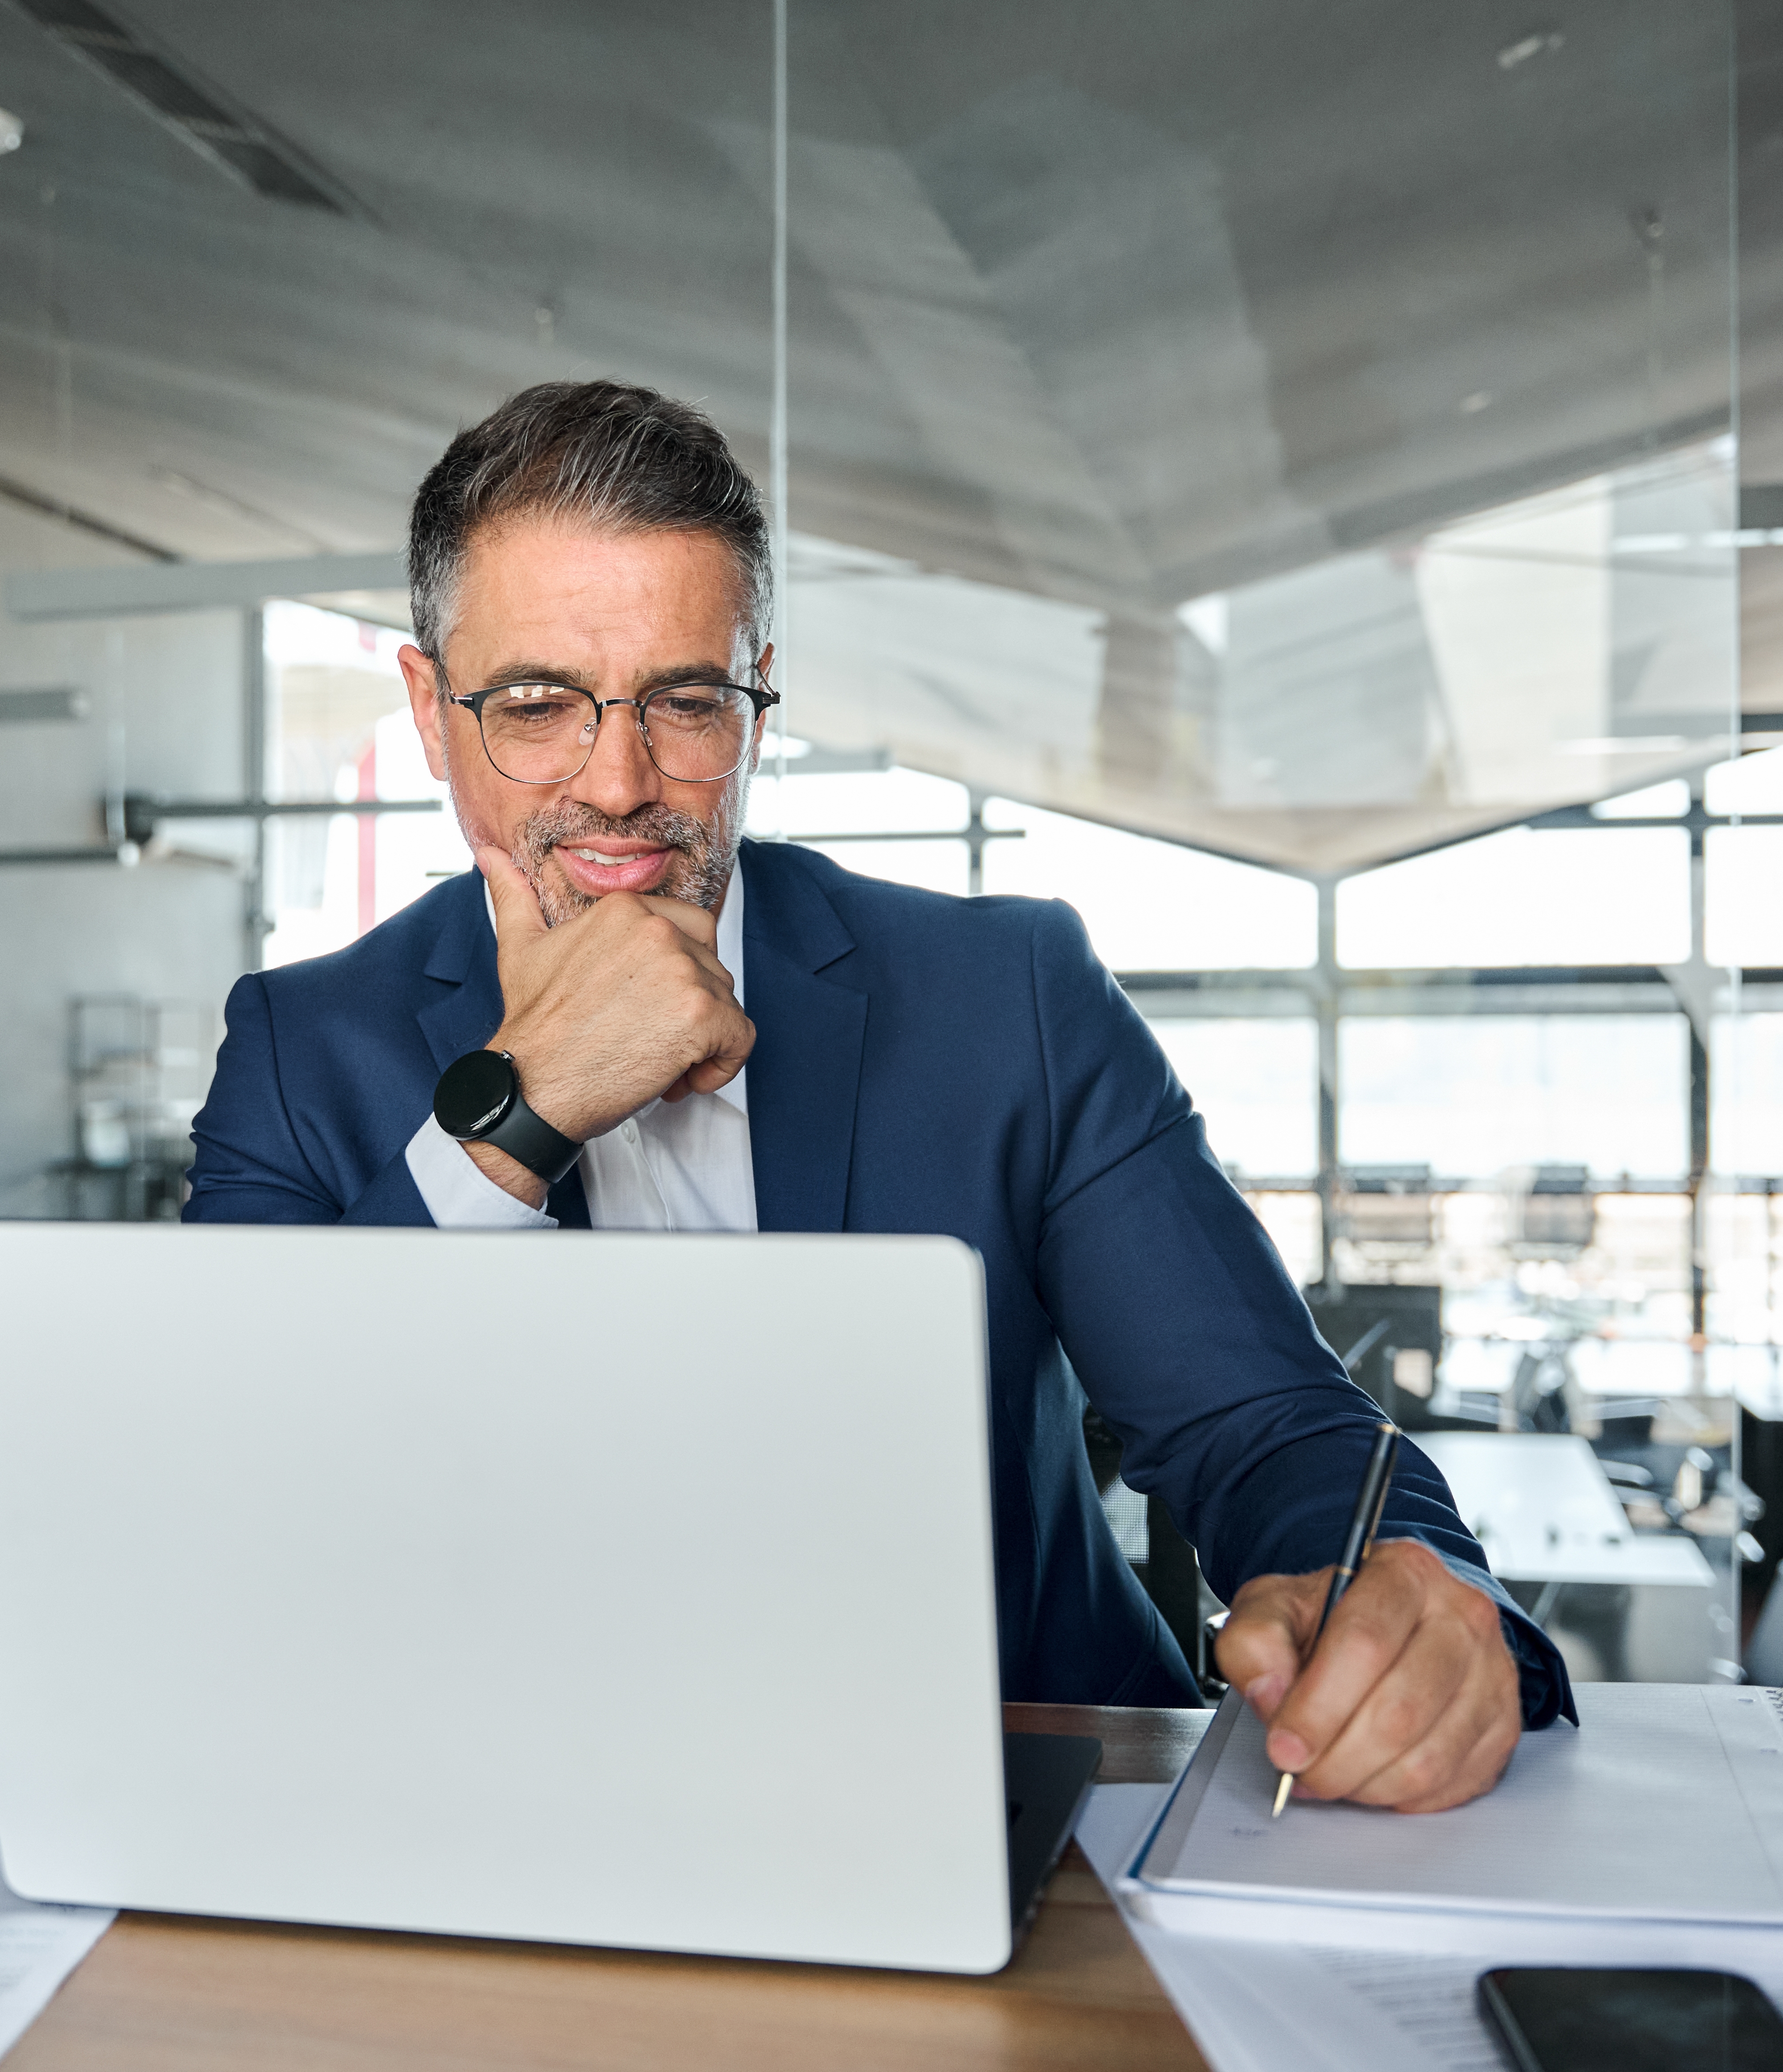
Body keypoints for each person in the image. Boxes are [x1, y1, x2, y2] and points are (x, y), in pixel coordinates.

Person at [187, 381, 1571, 1811]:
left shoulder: (1007, 994)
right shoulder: (305, 1047)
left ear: (758, 697)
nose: (618, 782)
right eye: (535, 706)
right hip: (516, 1820)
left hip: (1022, 1807)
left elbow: (1267, 1428)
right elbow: (234, 1507)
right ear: (430, 709)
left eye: (687, 701)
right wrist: (522, 1114)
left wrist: (1413, 1591)